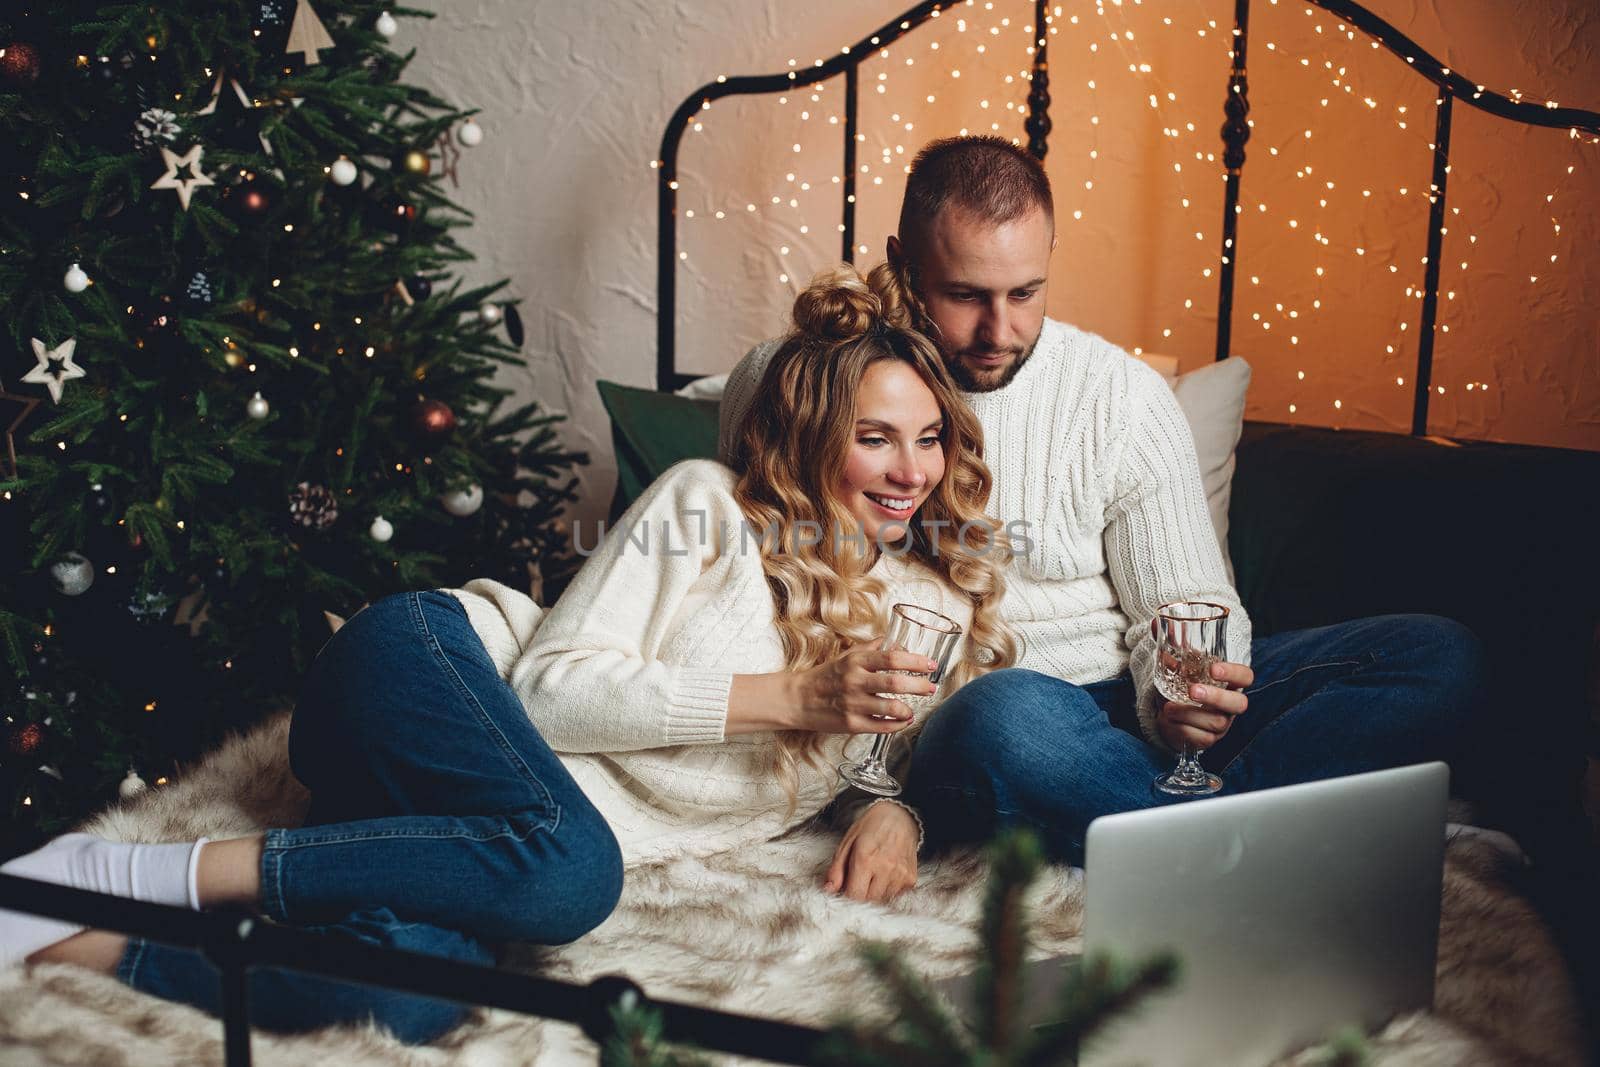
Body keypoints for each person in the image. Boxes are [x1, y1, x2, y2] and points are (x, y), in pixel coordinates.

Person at [0, 263, 1017, 1036]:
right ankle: (141, 868)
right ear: (805, 432)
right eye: (876, 435)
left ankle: (87, 936)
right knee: (574, 872)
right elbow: (547, 694)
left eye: (929, 436)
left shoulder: (925, 601)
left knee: (419, 992)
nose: (911, 468)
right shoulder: (708, 507)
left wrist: (895, 811)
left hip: (474, 826)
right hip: (423, 671)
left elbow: (866, 758)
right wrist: (794, 694)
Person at [719, 135, 1485, 871]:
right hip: (980, 719)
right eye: (964, 296)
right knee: (1009, 711)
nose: (1000, 330)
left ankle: (1196, 828)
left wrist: (1186, 695)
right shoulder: (798, 385)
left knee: (1435, 654)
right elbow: (782, 610)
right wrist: (877, 796)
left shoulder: (1122, 397)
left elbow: (1187, 599)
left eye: (1025, 293)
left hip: (1125, 706)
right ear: (901, 264)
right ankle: (1240, 850)